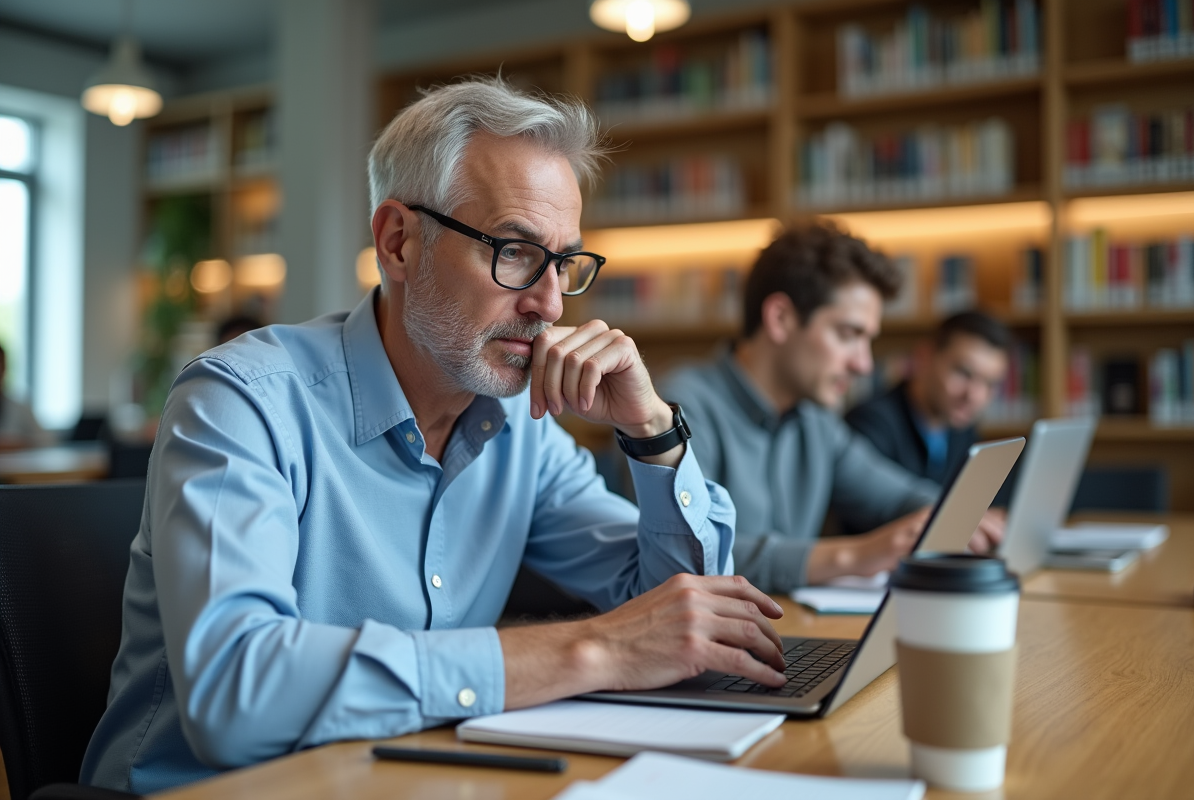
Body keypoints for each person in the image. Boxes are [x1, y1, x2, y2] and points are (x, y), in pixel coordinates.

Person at [81, 78, 789, 795]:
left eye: (564, 262)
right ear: (398, 242)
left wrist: (652, 431)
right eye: (514, 251)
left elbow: (688, 617)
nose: (548, 303)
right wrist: (594, 649)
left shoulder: (521, 426)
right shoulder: (242, 401)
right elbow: (237, 692)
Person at [660, 225, 1003, 595]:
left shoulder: (816, 420)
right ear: (781, 318)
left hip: (788, 633)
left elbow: (898, 496)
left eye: (868, 341)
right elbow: (690, 555)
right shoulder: (680, 406)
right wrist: (855, 555)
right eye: (848, 335)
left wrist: (965, 516)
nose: (863, 365)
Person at [845, 310, 1011, 487]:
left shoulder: (962, 432)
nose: (974, 396)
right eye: (964, 373)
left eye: (990, 384)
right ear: (924, 357)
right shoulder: (870, 426)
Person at [0, 342, 53, 448]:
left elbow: (47, 440)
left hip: (14, 464)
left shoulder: (19, 407)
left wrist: (19, 443)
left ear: (5, 368)